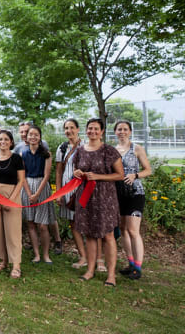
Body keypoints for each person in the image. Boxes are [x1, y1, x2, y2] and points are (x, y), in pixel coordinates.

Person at [72, 118, 124, 287]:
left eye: (96, 129)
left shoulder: (109, 151)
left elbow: (120, 175)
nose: (92, 131)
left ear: (102, 131)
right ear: (86, 130)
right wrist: (78, 173)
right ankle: (90, 270)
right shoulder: (80, 150)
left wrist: (99, 176)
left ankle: (111, 275)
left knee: (108, 235)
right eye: (89, 128)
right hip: (86, 198)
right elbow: (76, 170)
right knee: (89, 234)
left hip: (105, 198)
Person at [0, 130, 25, 279]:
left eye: (6, 139)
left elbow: (21, 180)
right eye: (0, 139)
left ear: (11, 142)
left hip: (11, 196)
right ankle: (4, 260)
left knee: (13, 231)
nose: (3, 142)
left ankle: (16, 265)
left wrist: (11, 200)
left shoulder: (16, 158)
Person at [114, 121, 152, 280]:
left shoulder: (137, 148)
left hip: (135, 192)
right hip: (118, 193)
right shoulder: (112, 150)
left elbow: (148, 170)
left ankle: (138, 266)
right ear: (115, 132)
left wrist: (135, 175)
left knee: (133, 230)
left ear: (130, 132)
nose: (122, 132)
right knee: (123, 229)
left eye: (125, 129)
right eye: (119, 129)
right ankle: (130, 263)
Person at [55, 118, 87, 268]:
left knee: (90, 223)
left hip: (85, 190)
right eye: (66, 128)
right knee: (73, 224)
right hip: (68, 192)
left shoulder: (87, 146)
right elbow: (59, 171)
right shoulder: (62, 148)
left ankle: (98, 258)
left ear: (78, 129)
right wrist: (59, 192)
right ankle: (83, 256)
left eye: (72, 127)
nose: (69, 131)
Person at [21, 126, 55, 264]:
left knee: (42, 225)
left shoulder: (46, 154)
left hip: (42, 187)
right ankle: (36, 254)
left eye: (36, 135)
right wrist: (29, 193)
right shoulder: (23, 154)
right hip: (28, 186)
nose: (33, 137)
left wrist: (37, 194)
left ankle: (46, 254)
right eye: (30, 135)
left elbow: (47, 176)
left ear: (40, 137)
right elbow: (22, 176)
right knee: (30, 223)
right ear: (27, 137)